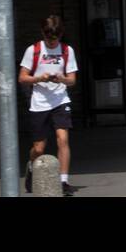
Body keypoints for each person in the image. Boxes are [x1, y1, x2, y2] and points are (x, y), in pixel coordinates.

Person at [18, 15, 79, 195]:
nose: (52, 43)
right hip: (39, 102)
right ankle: (31, 167)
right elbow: (22, 78)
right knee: (39, 148)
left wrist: (62, 79)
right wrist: (39, 78)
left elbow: (72, 81)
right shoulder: (34, 50)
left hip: (60, 100)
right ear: (43, 34)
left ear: (61, 35)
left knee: (63, 139)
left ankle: (63, 181)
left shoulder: (67, 51)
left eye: (56, 39)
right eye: (49, 39)